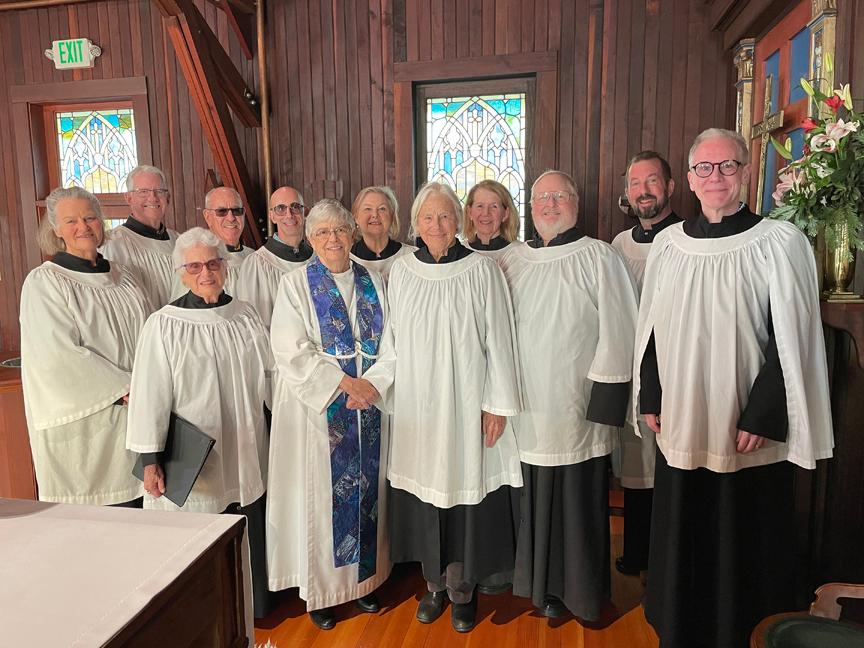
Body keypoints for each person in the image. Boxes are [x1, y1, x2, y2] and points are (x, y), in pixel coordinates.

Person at [633, 128, 834, 648]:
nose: (716, 176)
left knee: (743, 532)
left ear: (745, 172)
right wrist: (651, 394)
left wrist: (763, 412)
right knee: (685, 527)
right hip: (682, 413)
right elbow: (650, 327)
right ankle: (681, 628)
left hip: (744, 422)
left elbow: (793, 336)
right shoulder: (669, 245)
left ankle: (744, 631)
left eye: (727, 166)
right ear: (690, 179)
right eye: (705, 167)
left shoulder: (778, 242)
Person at [499, 171, 638, 621]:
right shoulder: (513, 260)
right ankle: (538, 588)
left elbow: (621, 329)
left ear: (576, 203)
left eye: (560, 195)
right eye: (541, 197)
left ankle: (580, 593)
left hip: (577, 407)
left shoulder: (599, 256)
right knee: (532, 501)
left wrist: (605, 403)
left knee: (575, 506)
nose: (550, 203)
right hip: (526, 408)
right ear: (530, 207)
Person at [386, 182, 523, 633]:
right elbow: (391, 344)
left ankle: (463, 590)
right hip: (419, 407)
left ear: (458, 221)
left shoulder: (481, 270)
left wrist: (496, 405)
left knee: (463, 498)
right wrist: (384, 395)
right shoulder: (403, 272)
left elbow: (499, 340)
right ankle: (433, 585)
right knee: (426, 499)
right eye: (428, 217)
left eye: (445, 216)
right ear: (416, 223)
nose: (437, 225)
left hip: (465, 404)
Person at [126, 227, 273, 618]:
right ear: (180, 273)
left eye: (212, 263)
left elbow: (271, 377)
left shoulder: (245, 315)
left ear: (225, 266)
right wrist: (150, 460)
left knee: (244, 514)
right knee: (200, 525)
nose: (205, 272)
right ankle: (201, 614)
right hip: (196, 455)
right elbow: (149, 396)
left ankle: (250, 604)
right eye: (194, 267)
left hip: (245, 443)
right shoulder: (164, 324)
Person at [266, 199, 396, 630]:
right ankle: (321, 592)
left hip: (369, 403)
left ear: (352, 234)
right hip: (319, 411)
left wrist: (373, 384)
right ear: (310, 238)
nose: (333, 239)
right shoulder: (295, 284)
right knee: (322, 500)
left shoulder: (373, 280)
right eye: (322, 232)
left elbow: (393, 343)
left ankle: (364, 582)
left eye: (340, 230)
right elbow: (291, 350)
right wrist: (345, 385)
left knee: (367, 494)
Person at [20, 187, 151, 507]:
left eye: (90, 218)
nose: (83, 227)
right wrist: (129, 388)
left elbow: (151, 335)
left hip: (139, 414)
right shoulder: (46, 282)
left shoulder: (125, 277)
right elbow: (56, 357)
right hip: (90, 427)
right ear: (55, 229)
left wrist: (151, 386)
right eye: (71, 221)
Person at [610, 151, 683, 576]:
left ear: (670, 186)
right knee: (637, 465)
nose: (644, 190)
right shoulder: (620, 245)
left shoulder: (687, 238)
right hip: (632, 370)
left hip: (673, 370)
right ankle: (637, 550)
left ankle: (667, 560)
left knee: (670, 463)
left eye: (652, 181)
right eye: (635, 183)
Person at [235, 186, 313, 327]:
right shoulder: (257, 264)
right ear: (272, 216)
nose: (289, 215)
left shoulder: (317, 258)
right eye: (281, 208)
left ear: (304, 212)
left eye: (295, 207)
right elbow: (253, 326)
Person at [100, 165, 178, 307]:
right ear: (128, 198)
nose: (153, 198)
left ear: (168, 198)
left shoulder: (179, 241)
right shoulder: (115, 243)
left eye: (159, 191)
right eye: (143, 192)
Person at [170, 186, 252, 300]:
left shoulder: (254, 258)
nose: (231, 218)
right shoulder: (192, 262)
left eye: (236, 210)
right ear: (207, 216)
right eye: (222, 211)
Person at [349, 185, 417, 281]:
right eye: (368, 209)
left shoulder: (411, 256)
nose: (375, 215)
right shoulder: (347, 260)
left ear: (392, 216)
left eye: (382, 209)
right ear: (356, 217)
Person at [462, 179, 523, 261]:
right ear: (469, 212)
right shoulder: (459, 254)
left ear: (505, 213)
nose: (486, 213)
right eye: (480, 206)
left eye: (494, 206)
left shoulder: (521, 254)